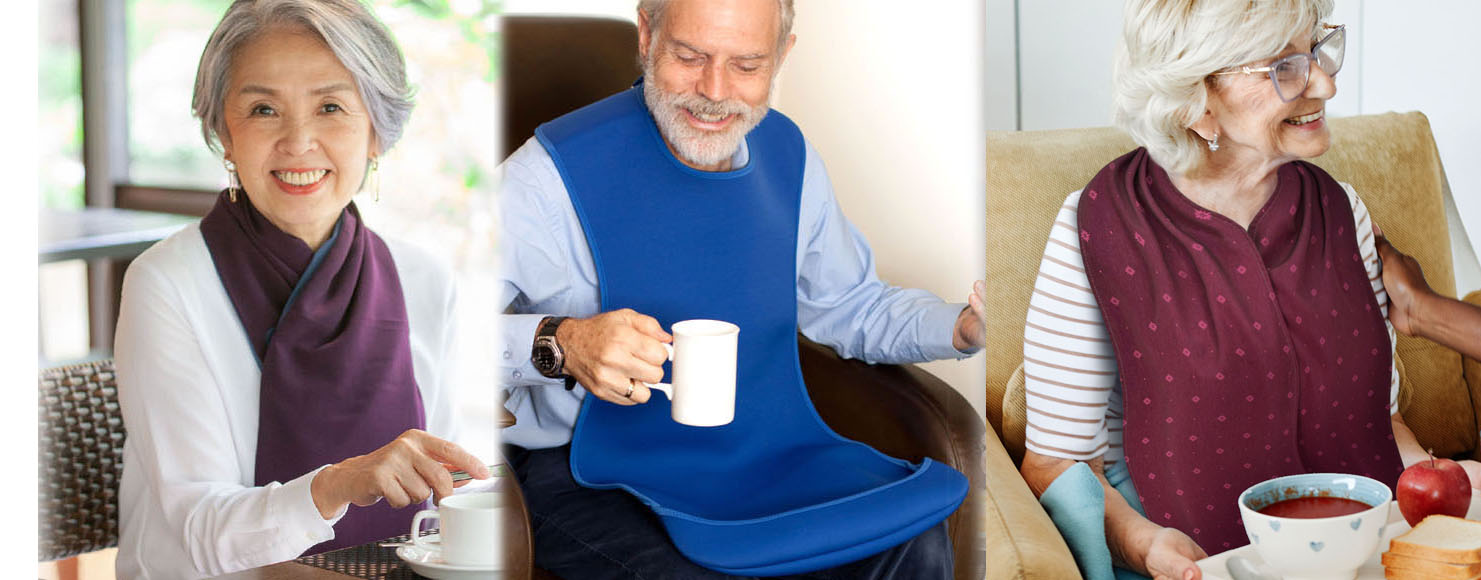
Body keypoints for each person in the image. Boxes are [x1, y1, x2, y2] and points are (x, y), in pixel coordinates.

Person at [1011, 1, 1481, 578]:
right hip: (1199, 558)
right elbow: (1056, 463)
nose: (1326, 82)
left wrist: (1437, 483)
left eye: (1318, 51)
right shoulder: (1100, 225)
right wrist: (1143, 545)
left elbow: (1373, 420)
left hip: (1359, 545)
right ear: (1197, 101)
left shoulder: (1343, 210)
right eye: (1285, 66)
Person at [496, 0, 981, 576]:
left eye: (747, 65)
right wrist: (563, 341)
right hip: (589, 474)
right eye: (690, 56)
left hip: (767, 452)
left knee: (915, 540)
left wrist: (959, 326)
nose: (714, 89)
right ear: (648, 35)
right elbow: (431, 331)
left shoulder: (791, 157)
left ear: (782, 56)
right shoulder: (546, 176)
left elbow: (850, 304)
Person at [114, 1, 493, 577]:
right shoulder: (166, 284)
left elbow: (445, 493)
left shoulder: (425, 280)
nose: (298, 141)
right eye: (263, 109)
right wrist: (342, 483)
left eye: (331, 107)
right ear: (224, 131)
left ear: (376, 133)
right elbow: (200, 530)